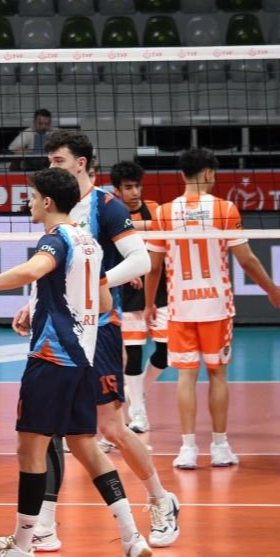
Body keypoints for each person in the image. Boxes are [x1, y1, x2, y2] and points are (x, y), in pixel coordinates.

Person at [0, 167, 152, 557]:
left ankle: (22, 549)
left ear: (47, 201)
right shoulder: (89, 242)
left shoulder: (56, 238)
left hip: (51, 359)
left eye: (32, 197)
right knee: (85, 446)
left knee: (30, 451)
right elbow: (105, 303)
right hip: (83, 360)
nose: (28, 203)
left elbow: (31, 271)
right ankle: (132, 538)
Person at [0, 130, 179, 552]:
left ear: (81, 163)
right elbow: (52, 269)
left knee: (110, 428)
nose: (51, 166)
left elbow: (140, 259)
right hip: (62, 329)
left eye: (59, 160)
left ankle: (161, 499)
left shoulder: (105, 205)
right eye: (49, 160)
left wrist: (95, 282)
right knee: (49, 430)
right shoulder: (54, 206)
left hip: (99, 328)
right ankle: (43, 525)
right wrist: (32, 303)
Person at [144, 148, 280, 470]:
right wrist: (272, 289)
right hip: (216, 307)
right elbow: (246, 259)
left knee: (186, 376)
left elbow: (153, 267)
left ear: (182, 174)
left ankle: (187, 448)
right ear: (209, 173)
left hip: (181, 307)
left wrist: (149, 304)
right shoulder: (225, 209)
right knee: (217, 374)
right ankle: (220, 447)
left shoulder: (163, 213)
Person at [110, 160, 167, 434]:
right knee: (133, 354)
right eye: (128, 187)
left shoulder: (155, 210)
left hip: (160, 289)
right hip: (130, 293)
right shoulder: (112, 213)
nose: (134, 192)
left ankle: (138, 393)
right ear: (117, 190)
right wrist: (127, 271)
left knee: (167, 351)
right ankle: (138, 414)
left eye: (137, 186)